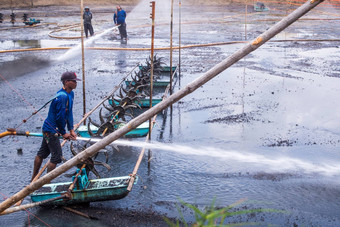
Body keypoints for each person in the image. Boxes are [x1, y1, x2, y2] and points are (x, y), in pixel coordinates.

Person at [31, 72, 80, 182]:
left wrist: (71, 129)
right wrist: (63, 133)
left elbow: (69, 113)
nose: (76, 83)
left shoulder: (70, 94)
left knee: (42, 153)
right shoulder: (62, 97)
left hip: (51, 129)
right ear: (66, 82)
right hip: (51, 130)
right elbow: (60, 117)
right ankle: (45, 182)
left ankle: (34, 180)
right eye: (74, 81)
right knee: (56, 157)